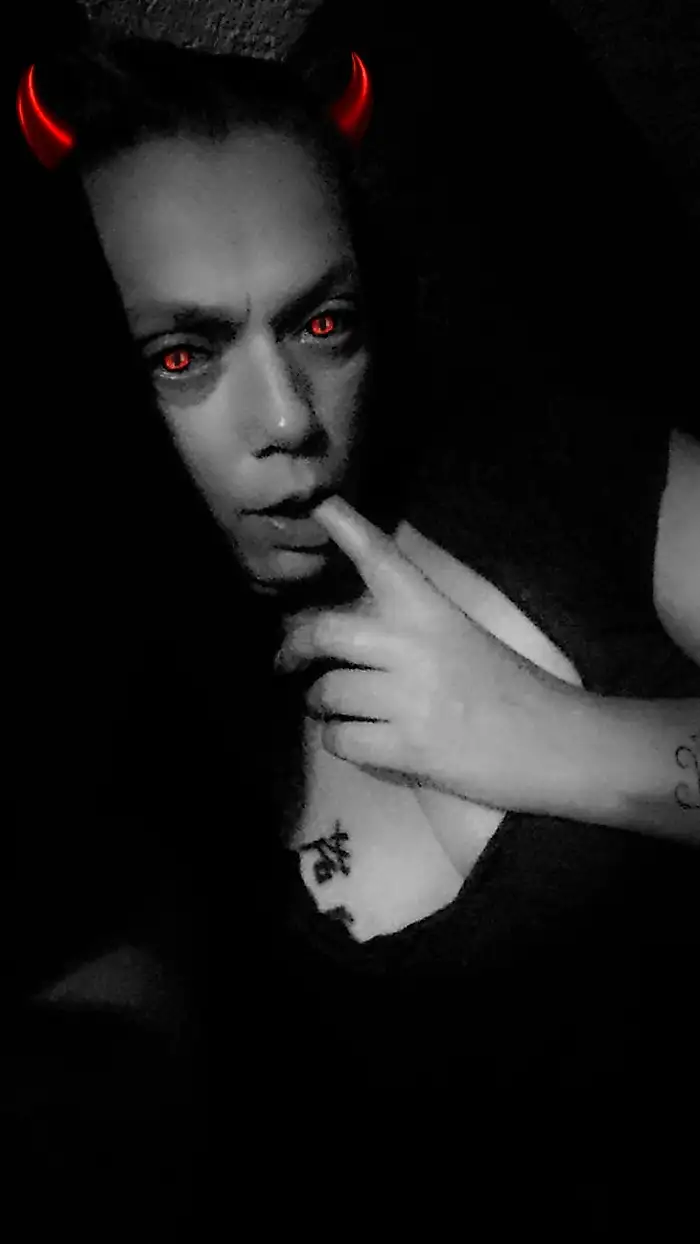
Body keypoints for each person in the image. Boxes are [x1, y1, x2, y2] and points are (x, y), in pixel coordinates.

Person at [11, 21, 700, 1216]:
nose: (286, 416)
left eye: (320, 324)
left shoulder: (564, 467)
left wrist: (571, 741)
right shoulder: (116, 754)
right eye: (181, 355)